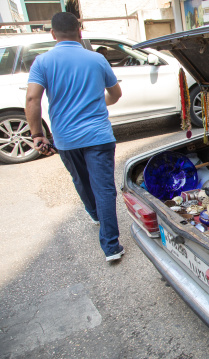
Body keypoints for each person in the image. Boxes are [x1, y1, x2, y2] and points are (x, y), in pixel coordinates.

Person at [25, 12, 125, 262]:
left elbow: (32, 99)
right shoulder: (97, 59)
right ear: (80, 32)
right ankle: (111, 246)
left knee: (81, 180)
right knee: (104, 188)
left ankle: (94, 214)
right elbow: (115, 95)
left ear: (52, 34)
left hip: (66, 139)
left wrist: (37, 134)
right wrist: (98, 103)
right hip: (99, 136)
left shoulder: (42, 62)